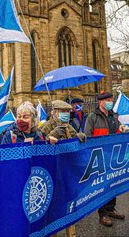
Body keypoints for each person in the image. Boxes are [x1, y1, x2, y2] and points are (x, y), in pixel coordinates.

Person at [39, 100, 87, 237]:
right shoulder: (46, 126)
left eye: (67, 112)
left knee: (69, 205)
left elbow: (73, 138)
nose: (65, 114)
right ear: (54, 113)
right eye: (62, 112)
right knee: (53, 207)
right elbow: (41, 145)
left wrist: (78, 136)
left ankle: (71, 234)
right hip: (53, 171)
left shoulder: (67, 126)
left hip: (67, 172)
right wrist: (51, 135)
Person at [84, 91, 125, 227]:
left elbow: (117, 132)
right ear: (100, 102)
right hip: (100, 157)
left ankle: (111, 209)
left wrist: (122, 129)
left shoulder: (114, 115)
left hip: (113, 156)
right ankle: (103, 214)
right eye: (107, 100)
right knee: (102, 185)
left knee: (113, 182)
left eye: (111, 99)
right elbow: (87, 136)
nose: (110, 102)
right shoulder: (93, 116)